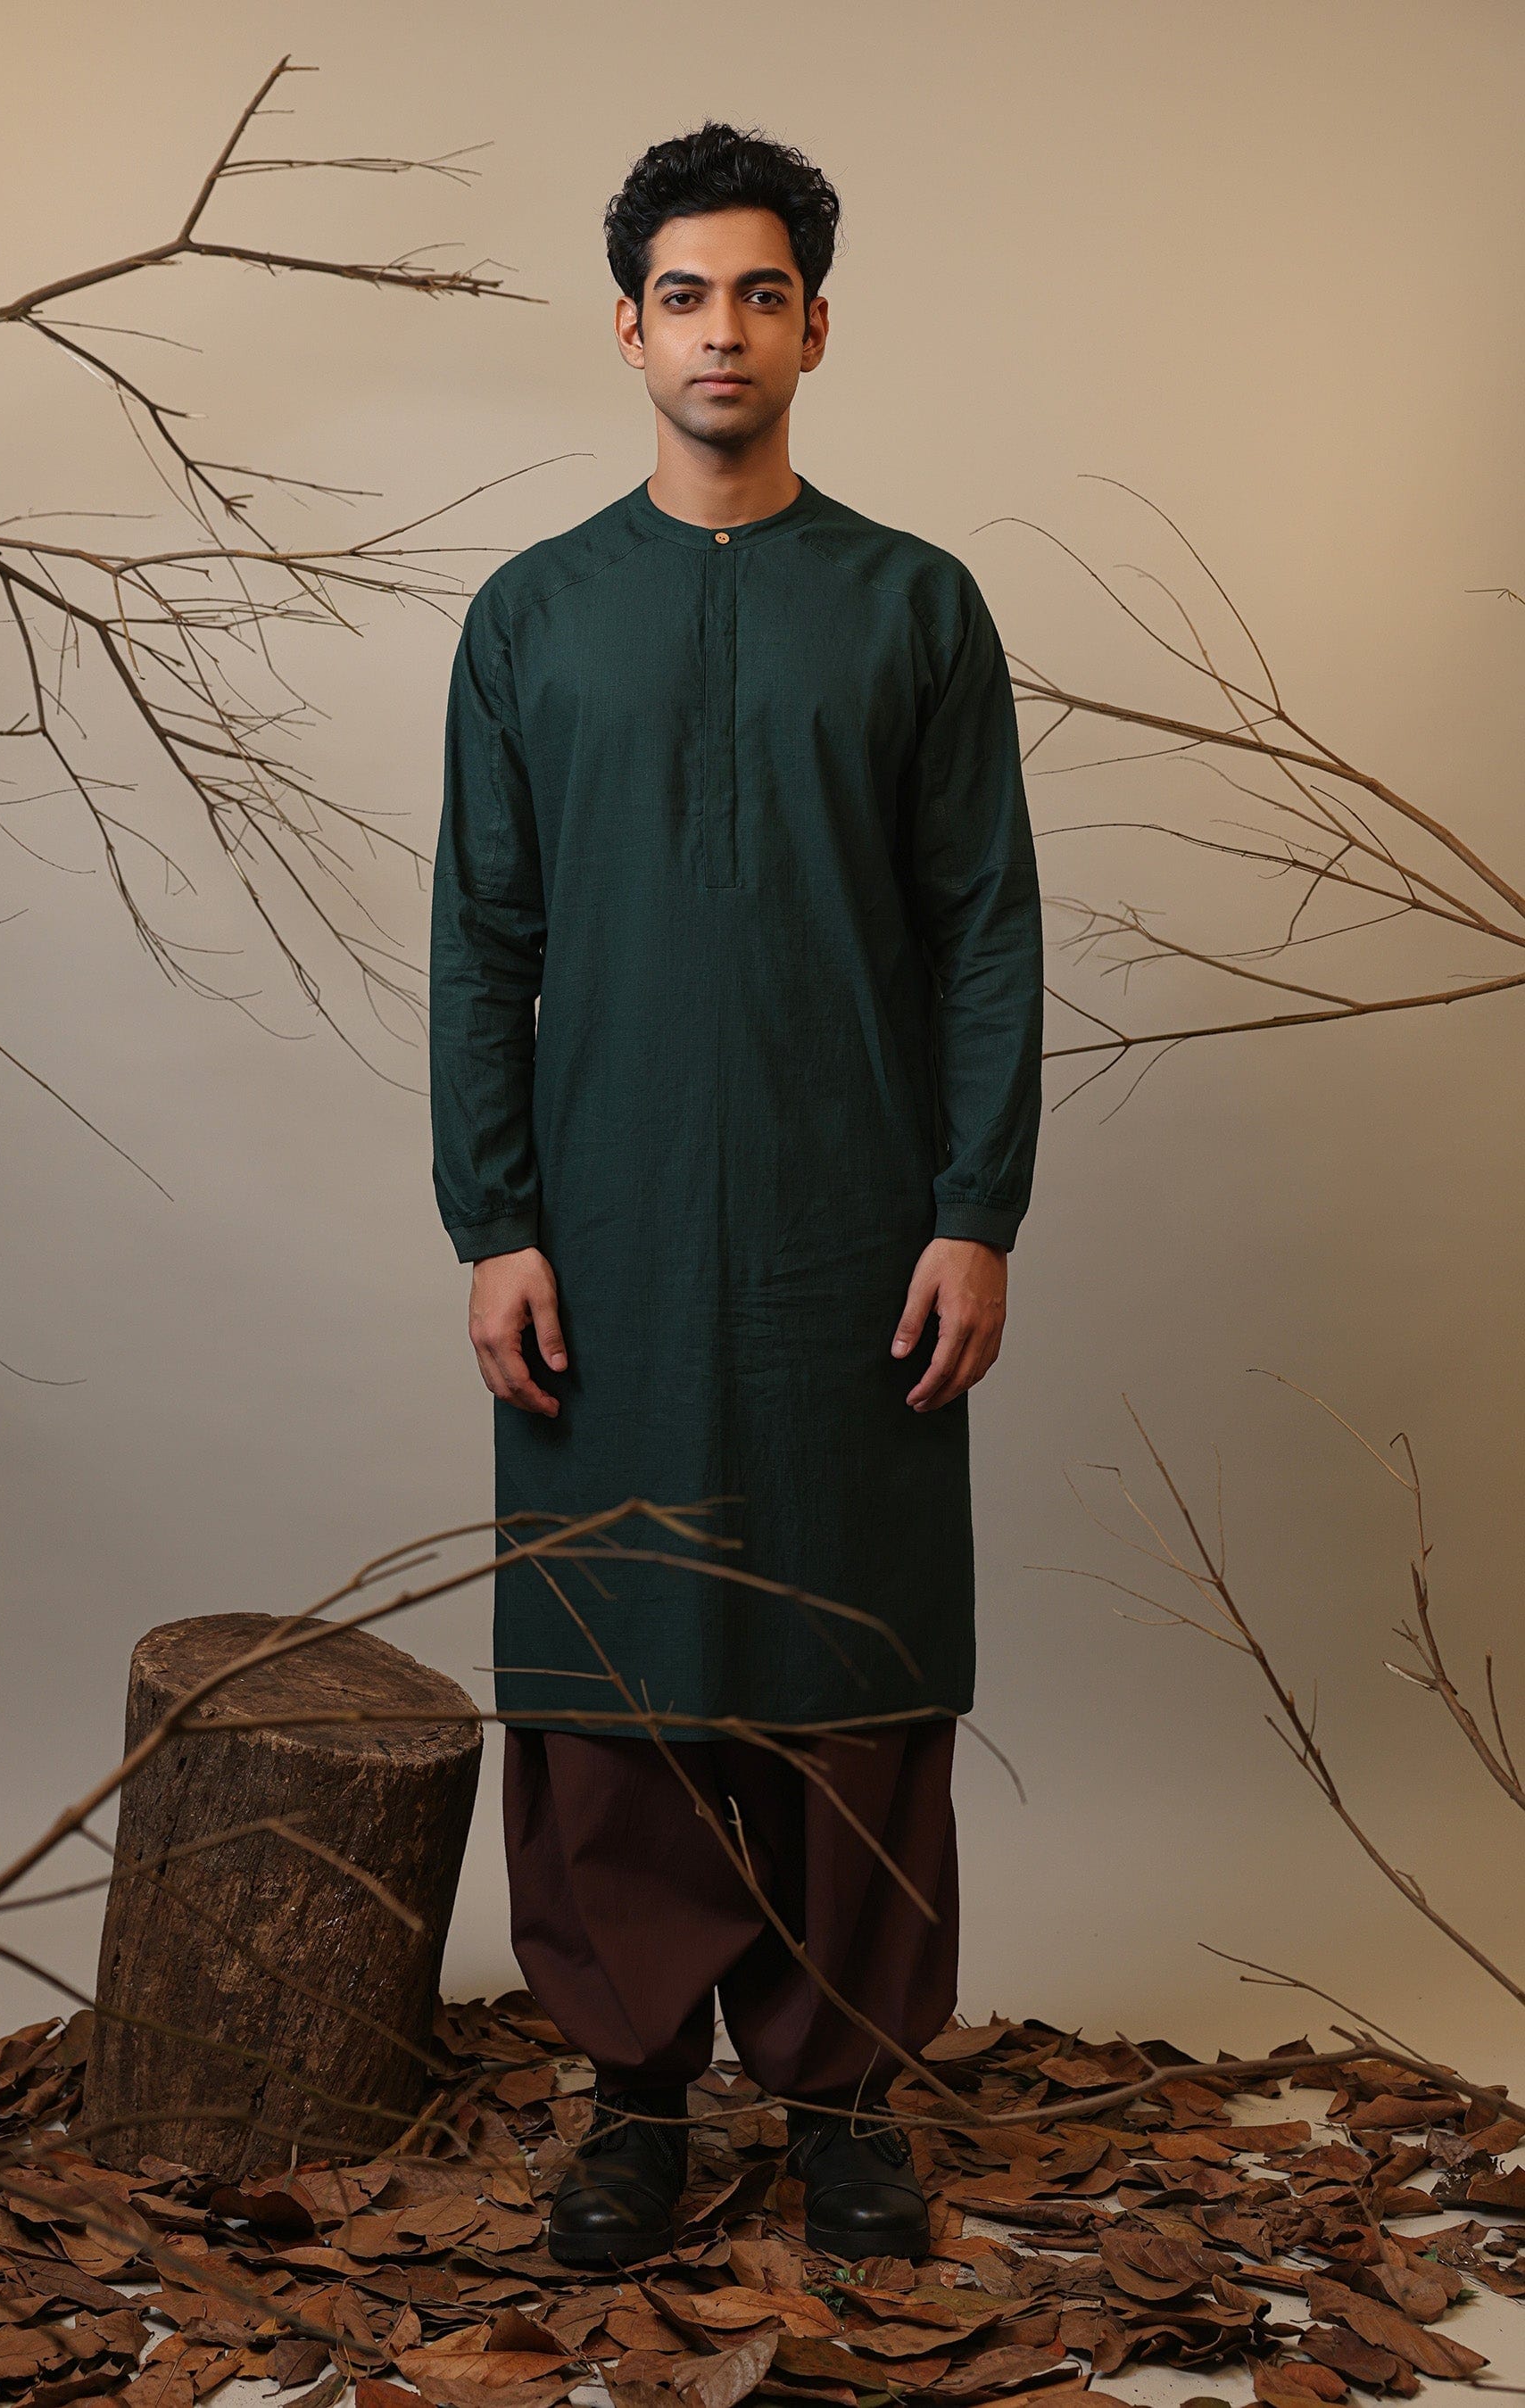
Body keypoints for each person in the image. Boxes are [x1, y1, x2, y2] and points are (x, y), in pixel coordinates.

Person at [428, 120, 1043, 2268]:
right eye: (683, 294)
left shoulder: (914, 607)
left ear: (814, 329)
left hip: (856, 1231)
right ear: (628, 327)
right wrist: (493, 1219)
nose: (722, 331)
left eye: (759, 295)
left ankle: (842, 2101)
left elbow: (986, 933)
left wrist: (978, 1207)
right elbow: (481, 943)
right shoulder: (531, 616)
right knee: (615, 1658)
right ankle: (631, 2105)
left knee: (849, 1652)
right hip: (598, 1232)